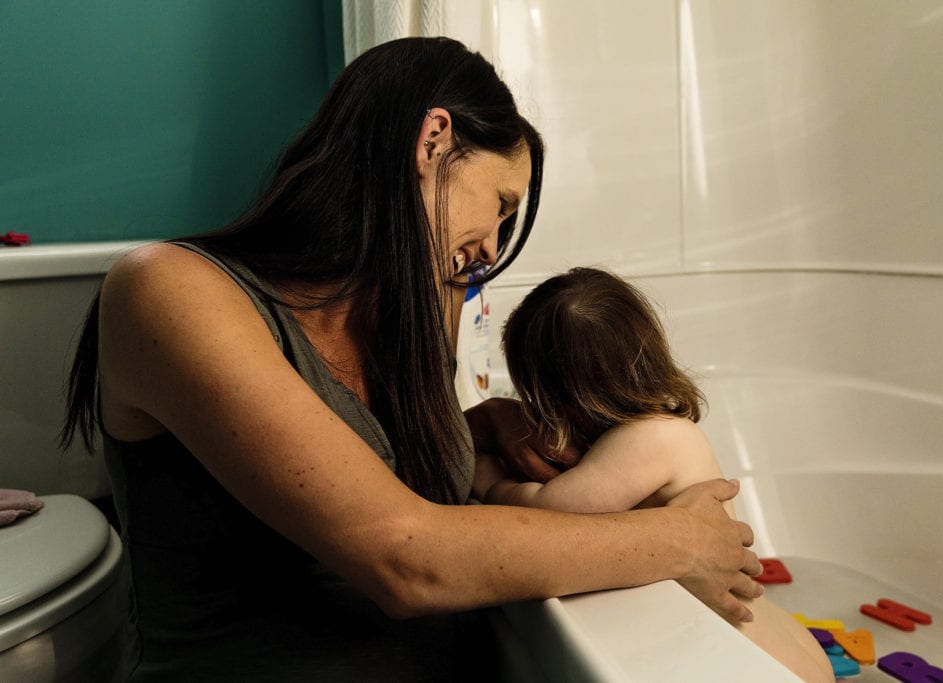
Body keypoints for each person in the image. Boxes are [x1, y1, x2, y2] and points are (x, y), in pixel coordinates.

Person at [62, 38, 762, 681]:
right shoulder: (167, 289)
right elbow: (403, 556)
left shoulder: (393, 327)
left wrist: (478, 424)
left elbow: (354, 463)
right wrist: (676, 539)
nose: (491, 248)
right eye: (500, 204)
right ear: (434, 140)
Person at [473, 267, 833, 683]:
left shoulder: (651, 438)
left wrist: (490, 482)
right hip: (767, 642)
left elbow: (552, 510)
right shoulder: (657, 430)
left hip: (762, 660)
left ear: (554, 395)